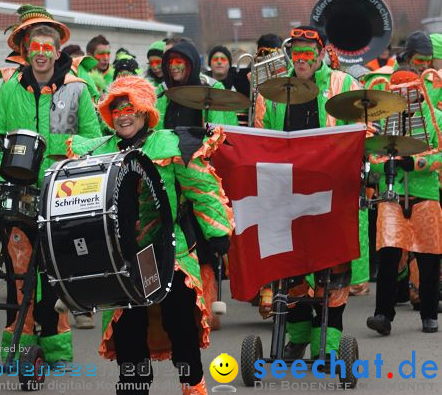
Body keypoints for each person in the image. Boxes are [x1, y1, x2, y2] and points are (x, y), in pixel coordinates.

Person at [67, 75, 231, 395]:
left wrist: (217, 231)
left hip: (169, 249)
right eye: (115, 110)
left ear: (144, 112)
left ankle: (193, 386)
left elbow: (203, 189)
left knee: (180, 323)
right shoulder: (103, 152)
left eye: (129, 107)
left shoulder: (170, 145)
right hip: (123, 256)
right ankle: (134, 387)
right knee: (128, 329)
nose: (123, 115)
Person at [0, 5, 103, 357]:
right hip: (18, 191)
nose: (40, 55)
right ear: (26, 52)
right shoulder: (10, 89)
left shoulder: (77, 89)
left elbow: (93, 137)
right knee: (18, 273)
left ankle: (55, 349)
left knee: (56, 273)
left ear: (57, 52)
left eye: (47, 48)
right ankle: (19, 345)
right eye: (34, 48)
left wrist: (62, 148)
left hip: (61, 192)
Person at [254, 25, 360, 357]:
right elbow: (261, 137)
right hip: (287, 193)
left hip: (331, 193)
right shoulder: (271, 90)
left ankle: (326, 346)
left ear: (320, 54)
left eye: (307, 53)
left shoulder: (344, 85)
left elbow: (358, 132)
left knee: (332, 271)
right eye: (295, 53)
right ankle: (297, 339)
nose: (301, 59)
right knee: (291, 269)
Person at [365, 69, 442, 335]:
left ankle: (430, 313)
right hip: (393, 194)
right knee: (387, 255)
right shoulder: (385, 120)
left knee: (429, 258)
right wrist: (375, 148)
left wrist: (417, 163)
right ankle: (383, 315)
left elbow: (440, 155)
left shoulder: (437, 118)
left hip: (426, 194)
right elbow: (372, 160)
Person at [156, 40, 238, 129]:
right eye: (170, 62)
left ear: (190, 64)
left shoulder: (209, 93)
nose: (172, 66)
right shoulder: (166, 93)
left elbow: (217, 133)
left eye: (178, 62)